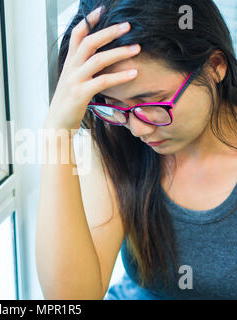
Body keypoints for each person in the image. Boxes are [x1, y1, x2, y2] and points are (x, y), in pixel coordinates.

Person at [36, 0, 237, 299]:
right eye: (115, 106)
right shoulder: (116, 138)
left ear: (214, 66)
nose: (137, 129)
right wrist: (56, 133)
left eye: (153, 103)